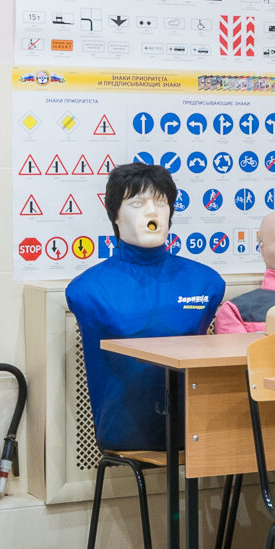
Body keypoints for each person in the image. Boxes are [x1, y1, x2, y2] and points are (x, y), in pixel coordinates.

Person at [63, 160, 223, 460]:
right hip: (125, 430)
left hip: (195, 427)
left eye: (161, 202)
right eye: (137, 203)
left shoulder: (206, 282)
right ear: (115, 215)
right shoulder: (87, 289)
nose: (152, 212)